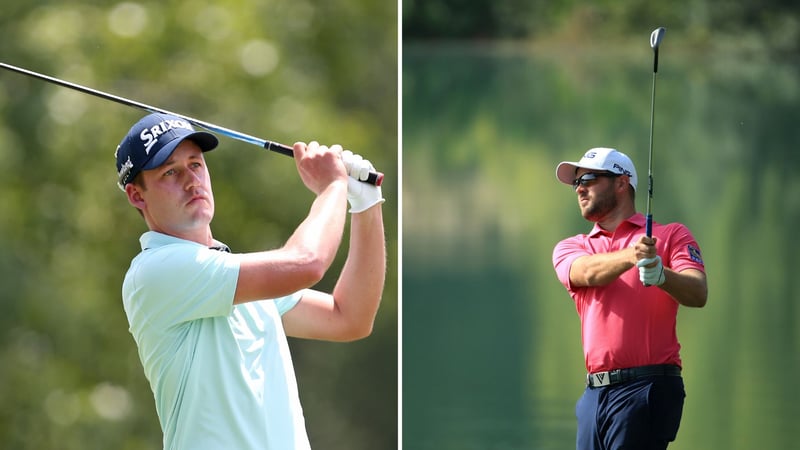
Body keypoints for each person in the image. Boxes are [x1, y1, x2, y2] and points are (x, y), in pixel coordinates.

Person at [114, 112, 386, 449]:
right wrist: (332, 187)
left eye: (196, 165)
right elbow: (307, 263)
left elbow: (349, 318)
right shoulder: (154, 272)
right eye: (170, 171)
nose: (191, 180)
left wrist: (366, 204)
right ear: (136, 195)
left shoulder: (233, 276)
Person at [551, 147, 707, 450]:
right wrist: (633, 256)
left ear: (622, 183)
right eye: (576, 183)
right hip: (594, 396)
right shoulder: (572, 246)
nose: (580, 188)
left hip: (647, 388)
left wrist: (663, 275)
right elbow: (587, 273)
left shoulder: (671, 236)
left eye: (590, 179)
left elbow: (698, 292)